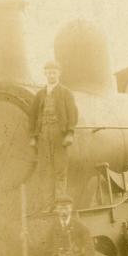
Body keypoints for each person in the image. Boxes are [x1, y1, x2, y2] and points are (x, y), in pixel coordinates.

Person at [28, 60, 79, 201]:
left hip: (59, 133)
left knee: (60, 169)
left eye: (54, 72)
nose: (51, 75)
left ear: (59, 73)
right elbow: (32, 115)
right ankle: (47, 204)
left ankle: (60, 201)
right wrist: (33, 136)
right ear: (45, 74)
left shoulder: (66, 93)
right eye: (49, 72)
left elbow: (72, 113)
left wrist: (69, 133)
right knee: (45, 169)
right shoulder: (40, 94)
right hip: (43, 133)